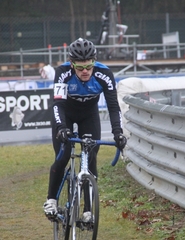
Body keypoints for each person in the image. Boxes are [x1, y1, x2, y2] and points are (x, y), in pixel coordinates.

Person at [43, 37, 127, 219]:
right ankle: (51, 200)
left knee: (91, 155)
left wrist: (118, 132)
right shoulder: (62, 72)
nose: (85, 71)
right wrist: (61, 127)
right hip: (66, 113)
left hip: (89, 115)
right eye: (80, 68)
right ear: (72, 64)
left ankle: (88, 210)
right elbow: (57, 105)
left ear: (94, 62)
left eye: (89, 66)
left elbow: (113, 107)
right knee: (63, 154)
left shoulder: (104, 74)